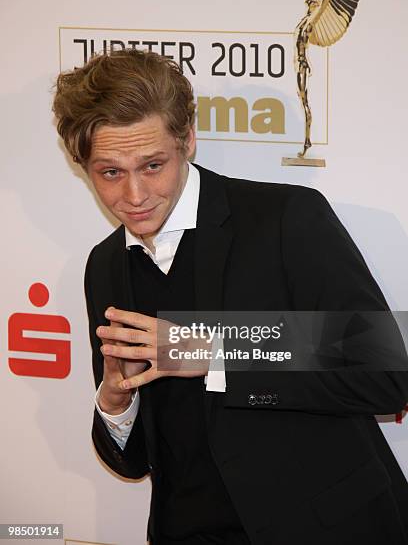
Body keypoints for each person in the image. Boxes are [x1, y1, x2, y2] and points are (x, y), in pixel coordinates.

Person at [53, 49, 408, 545]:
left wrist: (214, 352)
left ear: (188, 140)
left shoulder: (284, 218)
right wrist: (115, 401)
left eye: (153, 165)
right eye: (109, 172)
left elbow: (387, 374)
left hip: (327, 527)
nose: (134, 195)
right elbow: (132, 461)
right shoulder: (105, 265)